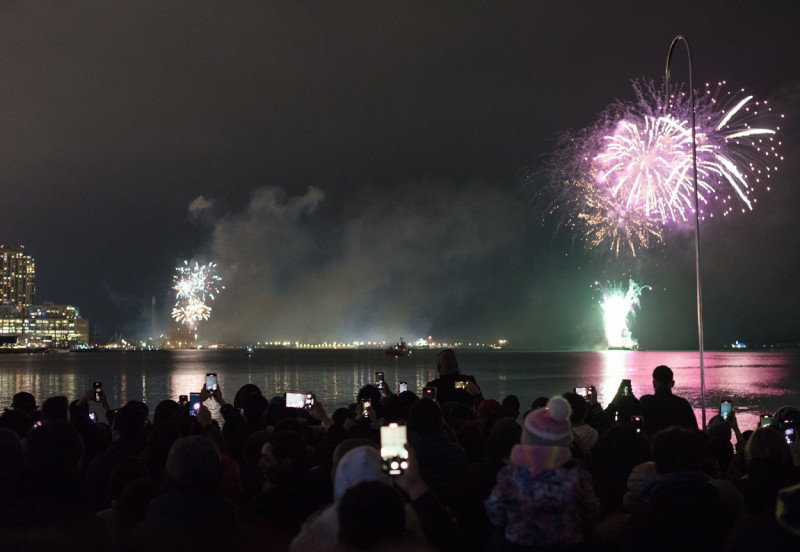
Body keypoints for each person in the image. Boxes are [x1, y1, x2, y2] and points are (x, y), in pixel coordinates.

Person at [485, 396, 599, 550]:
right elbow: (591, 511)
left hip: (518, 543)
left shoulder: (510, 473)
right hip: (566, 543)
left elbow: (495, 510)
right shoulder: (577, 475)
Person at [639, 365, 698, 436]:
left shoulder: (645, 402)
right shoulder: (682, 404)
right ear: (672, 383)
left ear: (654, 384)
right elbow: (694, 431)